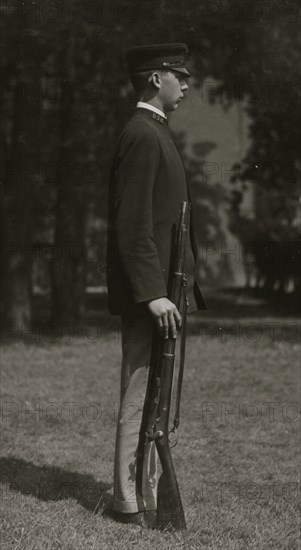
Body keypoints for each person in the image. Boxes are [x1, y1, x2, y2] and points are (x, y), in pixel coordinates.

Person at [106, 43, 206, 527]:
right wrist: (152, 293)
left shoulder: (154, 132)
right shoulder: (143, 134)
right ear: (154, 79)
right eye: (178, 75)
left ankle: (143, 490)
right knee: (140, 391)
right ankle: (128, 498)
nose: (186, 85)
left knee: (155, 396)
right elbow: (133, 225)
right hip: (153, 296)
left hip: (165, 292)